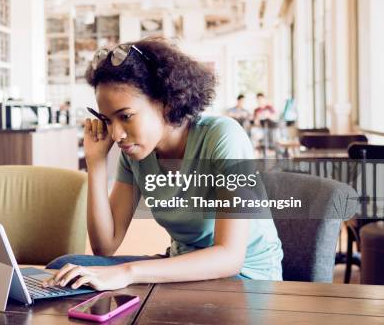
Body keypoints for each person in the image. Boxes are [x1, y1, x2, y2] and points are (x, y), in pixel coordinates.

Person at [42, 38, 283, 291]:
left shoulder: (223, 137)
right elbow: (106, 246)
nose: (116, 135)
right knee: (67, 268)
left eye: (125, 117)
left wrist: (128, 272)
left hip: (247, 277)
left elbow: (229, 257)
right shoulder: (134, 153)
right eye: (107, 120)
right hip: (182, 266)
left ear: (166, 102)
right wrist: (96, 162)